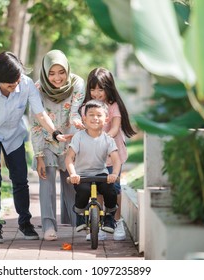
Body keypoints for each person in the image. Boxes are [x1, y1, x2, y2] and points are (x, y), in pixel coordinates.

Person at [0, 51, 68, 244]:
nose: (15, 87)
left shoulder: (26, 84)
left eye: (17, 81)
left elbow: (40, 114)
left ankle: (25, 223)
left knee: (20, 179)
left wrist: (55, 133)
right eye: (10, 85)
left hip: (13, 135)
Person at [30, 49, 85, 241]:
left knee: (72, 181)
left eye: (61, 72)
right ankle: (48, 226)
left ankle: (78, 223)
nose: (57, 78)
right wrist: (38, 156)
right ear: (45, 73)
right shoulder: (37, 89)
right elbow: (36, 124)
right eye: (51, 73)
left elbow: (75, 110)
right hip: (46, 141)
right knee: (47, 180)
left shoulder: (77, 83)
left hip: (70, 139)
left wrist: (76, 122)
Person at [82, 67, 137, 241]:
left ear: (109, 88)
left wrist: (102, 138)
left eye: (100, 89)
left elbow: (114, 127)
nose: (96, 93)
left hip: (113, 155)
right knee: (97, 188)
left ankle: (116, 221)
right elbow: (84, 126)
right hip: (94, 157)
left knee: (113, 189)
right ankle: (97, 225)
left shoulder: (113, 106)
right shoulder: (86, 107)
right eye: (93, 89)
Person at [65, 100, 121, 234]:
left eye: (99, 115)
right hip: (82, 175)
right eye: (91, 114)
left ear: (106, 119)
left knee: (110, 191)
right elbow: (69, 158)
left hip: (100, 174)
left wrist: (114, 174)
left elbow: (116, 160)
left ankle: (109, 217)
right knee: (83, 191)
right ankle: (80, 215)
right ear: (84, 118)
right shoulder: (79, 137)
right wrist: (73, 174)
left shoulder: (108, 139)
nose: (95, 118)